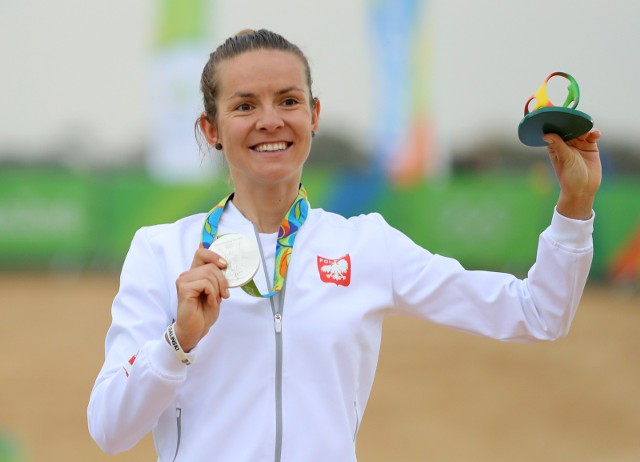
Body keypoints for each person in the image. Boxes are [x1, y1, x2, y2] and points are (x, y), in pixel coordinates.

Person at [88, 29, 602, 461]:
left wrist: (575, 207)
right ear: (211, 128)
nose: (271, 120)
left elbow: (539, 314)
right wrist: (178, 343)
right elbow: (109, 429)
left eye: (288, 100)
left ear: (313, 115)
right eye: (245, 105)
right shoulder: (162, 251)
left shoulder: (367, 245)